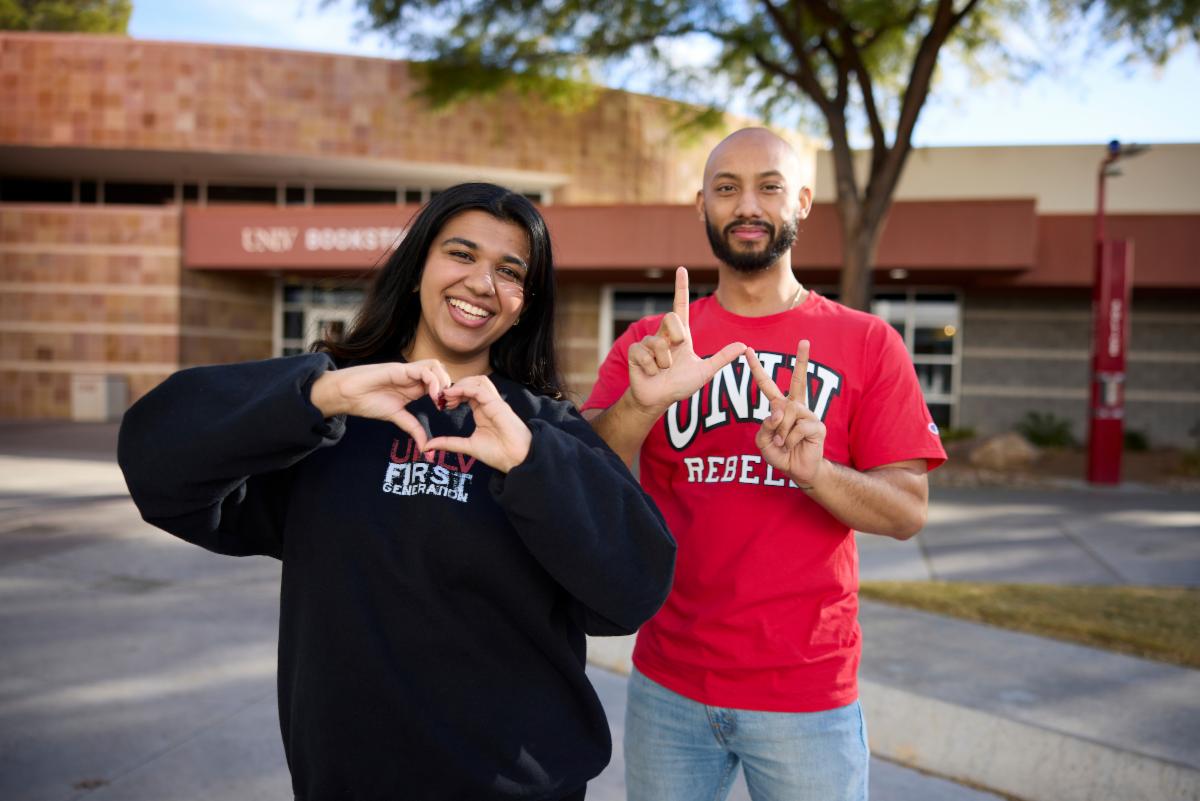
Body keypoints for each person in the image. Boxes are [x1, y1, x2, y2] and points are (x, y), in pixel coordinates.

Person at [118, 182, 676, 801]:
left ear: (524, 306)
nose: (482, 283)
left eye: (509, 271)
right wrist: (320, 393)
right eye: (461, 254)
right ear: (416, 272)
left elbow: (633, 589)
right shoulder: (329, 408)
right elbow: (157, 465)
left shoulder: (545, 431)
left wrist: (530, 462)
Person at [581, 128, 947, 801]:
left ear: (802, 201)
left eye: (769, 187)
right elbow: (584, 472)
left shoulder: (868, 342)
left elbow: (907, 511)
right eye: (727, 188)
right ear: (702, 205)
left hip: (807, 692)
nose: (747, 205)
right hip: (670, 682)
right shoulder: (653, 342)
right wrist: (641, 401)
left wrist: (817, 473)